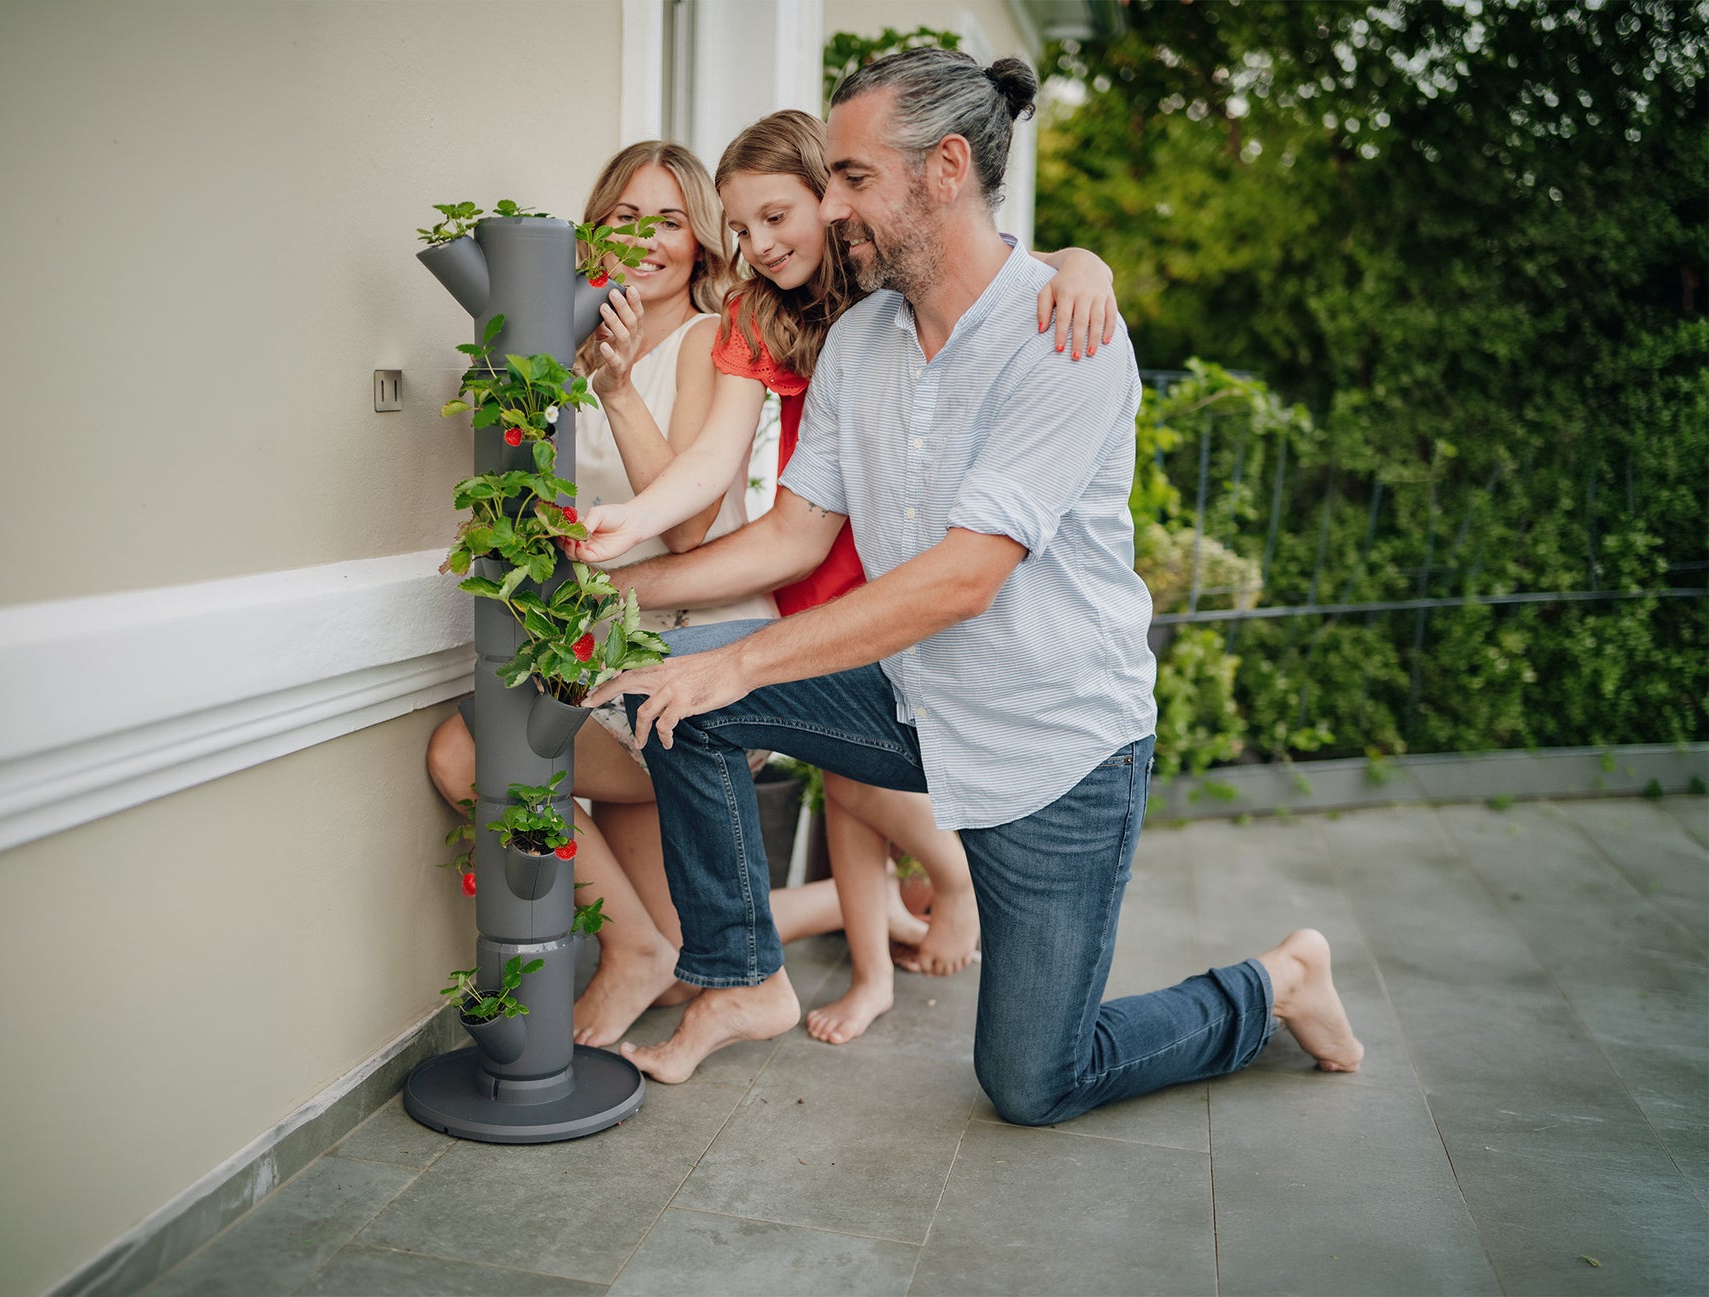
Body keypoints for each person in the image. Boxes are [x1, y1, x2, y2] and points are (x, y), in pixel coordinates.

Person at [583, 49, 1363, 1122]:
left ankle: (1275, 983)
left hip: (1055, 745)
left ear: (944, 168)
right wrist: (631, 582)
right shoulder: (859, 338)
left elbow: (958, 580)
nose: (831, 202)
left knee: (1036, 1081)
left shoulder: (1065, 335)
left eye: (852, 178)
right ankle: (738, 974)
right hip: (908, 699)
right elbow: (794, 536)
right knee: (667, 689)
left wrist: (739, 658)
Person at [570, 109, 1121, 1044]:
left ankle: (943, 887)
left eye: (782, 214)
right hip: (821, 556)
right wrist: (634, 539)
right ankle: (807, 971)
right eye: (741, 229)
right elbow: (725, 483)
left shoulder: (901, 285)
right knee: (799, 756)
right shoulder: (773, 316)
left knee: (869, 790)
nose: (760, 243)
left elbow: (988, 268)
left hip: (945, 598)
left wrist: (1081, 261)